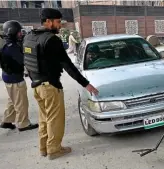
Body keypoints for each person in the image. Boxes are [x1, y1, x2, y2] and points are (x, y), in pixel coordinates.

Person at [23, 8, 99, 160]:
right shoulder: (51, 40)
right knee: (55, 120)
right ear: (48, 21)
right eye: (58, 22)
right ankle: (54, 149)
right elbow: (67, 65)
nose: (60, 26)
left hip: (37, 86)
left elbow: (28, 63)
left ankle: (44, 148)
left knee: (44, 118)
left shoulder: (29, 37)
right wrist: (86, 84)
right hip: (50, 87)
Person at [0, 20, 39, 131]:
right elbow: (23, 60)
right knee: (21, 102)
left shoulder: (5, 43)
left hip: (8, 77)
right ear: (12, 32)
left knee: (13, 100)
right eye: (18, 32)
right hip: (15, 79)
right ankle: (23, 124)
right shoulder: (12, 46)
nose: (21, 34)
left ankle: (6, 120)